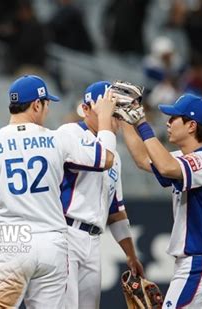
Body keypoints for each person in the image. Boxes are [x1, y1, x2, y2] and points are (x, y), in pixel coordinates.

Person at [0, 75, 117, 308]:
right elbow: (106, 159)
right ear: (37, 104)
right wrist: (105, 119)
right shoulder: (58, 139)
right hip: (52, 245)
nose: (47, 109)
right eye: (47, 104)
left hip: (12, 244)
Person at [120, 93, 202, 308]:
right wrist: (124, 121)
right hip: (201, 263)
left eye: (174, 118)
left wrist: (142, 124)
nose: (168, 122)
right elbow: (144, 159)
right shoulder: (190, 159)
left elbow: (166, 167)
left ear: (191, 126)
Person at [63, 81, 144, 309]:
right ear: (86, 109)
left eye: (115, 111)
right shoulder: (69, 133)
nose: (113, 117)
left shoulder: (113, 154)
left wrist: (130, 255)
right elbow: (101, 159)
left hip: (93, 239)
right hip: (65, 234)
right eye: (107, 110)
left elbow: (115, 210)